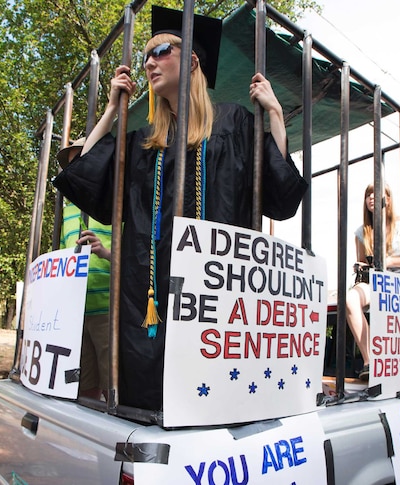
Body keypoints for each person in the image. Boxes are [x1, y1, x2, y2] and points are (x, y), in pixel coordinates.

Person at [53, 6, 307, 410]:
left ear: (190, 60)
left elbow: (280, 191)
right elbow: (83, 172)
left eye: (161, 51)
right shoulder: (143, 143)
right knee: (151, 400)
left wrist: (274, 113)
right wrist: (110, 111)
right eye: (146, 56)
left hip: (216, 298)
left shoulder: (235, 124)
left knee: (215, 401)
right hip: (148, 301)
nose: (149, 63)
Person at [346, 183, 400, 379]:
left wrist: (390, 262)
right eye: (368, 195)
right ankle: (370, 361)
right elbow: (363, 262)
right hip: (375, 282)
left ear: (388, 199)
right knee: (350, 300)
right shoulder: (361, 232)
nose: (371, 197)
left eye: (376, 194)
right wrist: (360, 266)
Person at [56, 141, 114, 400]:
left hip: (108, 310)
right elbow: (59, 258)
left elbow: (138, 261)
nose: (78, 168)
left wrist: (105, 253)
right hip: (76, 312)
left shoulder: (116, 206)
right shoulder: (66, 212)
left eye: (83, 160)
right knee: (83, 383)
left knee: (113, 385)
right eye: (73, 164)